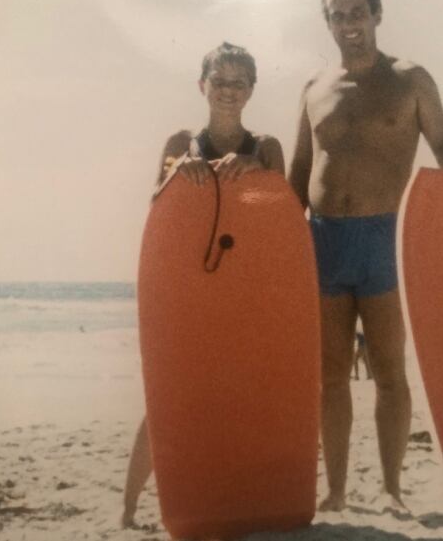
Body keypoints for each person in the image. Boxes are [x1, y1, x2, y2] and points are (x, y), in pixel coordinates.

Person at [288, 0, 443, 511]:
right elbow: (300, 173)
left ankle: (393, 490)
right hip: (324, 239)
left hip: (384, 241)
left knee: (390, 373)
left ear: (376, 15)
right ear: (327, 23)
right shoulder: (313, 88)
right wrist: (281, 250)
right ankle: (336, 491)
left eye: (358, 12)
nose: (349, 24)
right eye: (338, 15)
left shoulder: (410, 79)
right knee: (330, 376)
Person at [122, 42, 285, 528]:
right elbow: (159, 211)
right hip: (191, 290)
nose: (229, 91)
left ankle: (236, 499)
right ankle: (129, 509)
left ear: (252, 90)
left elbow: (283, 219)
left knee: (242, 399)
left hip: (247, 293)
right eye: (220, 80)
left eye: (239, 82)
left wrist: (258, 170)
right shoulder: (181, 143)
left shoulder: (267, 146)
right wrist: (177, 172)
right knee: (167, 402)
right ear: (202, 86)